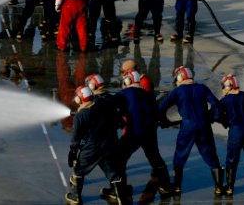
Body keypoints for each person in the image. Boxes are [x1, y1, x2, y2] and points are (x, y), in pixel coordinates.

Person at [101, 70, 170, 201]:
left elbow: (109, 106)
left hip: (135, 133)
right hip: (150, 133)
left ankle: (120, 191)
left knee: (118, 159)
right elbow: (158, 112)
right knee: (155, 158)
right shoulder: (148, 95)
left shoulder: (125, 93)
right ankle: (165, 185)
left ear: (128, 80)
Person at [159, 66, 223, 195]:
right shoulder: (202, 88)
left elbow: (160, 108)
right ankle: (218, 187)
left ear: (180, 77)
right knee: (210, 154)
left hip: (188, 126)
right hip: (204, 125)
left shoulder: (177, 91)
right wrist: (213, 117)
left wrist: (164, 121)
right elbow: (216, 104)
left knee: (180, 155)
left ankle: (177, 187)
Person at [65, 86, 127, 204]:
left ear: (80, 99)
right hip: (108, 145)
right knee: (113, 172)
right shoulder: (102, 107)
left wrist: (73, 152)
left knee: (78, 171)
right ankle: (119, 196)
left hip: (91, 148)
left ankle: (75, 197)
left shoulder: (80, 115)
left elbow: (76, 138)